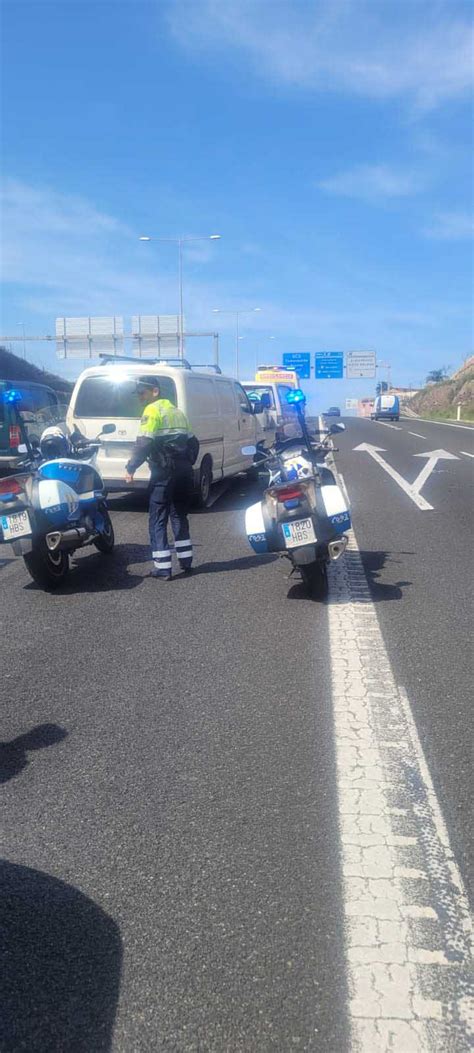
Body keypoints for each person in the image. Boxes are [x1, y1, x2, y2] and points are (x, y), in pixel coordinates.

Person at [125, 380, 196, 580]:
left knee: (158, 518)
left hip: (164, 472)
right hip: (184, 471)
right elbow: (193, 442)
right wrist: (187, 462)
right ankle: (186, 561)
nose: (140, 397)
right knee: (179, 515)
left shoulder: (152, 410)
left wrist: (131, 468)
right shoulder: (178, 412)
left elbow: (144, 443)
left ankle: (163, 568)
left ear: (154, 392)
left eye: (142, 393)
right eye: (138, 394)